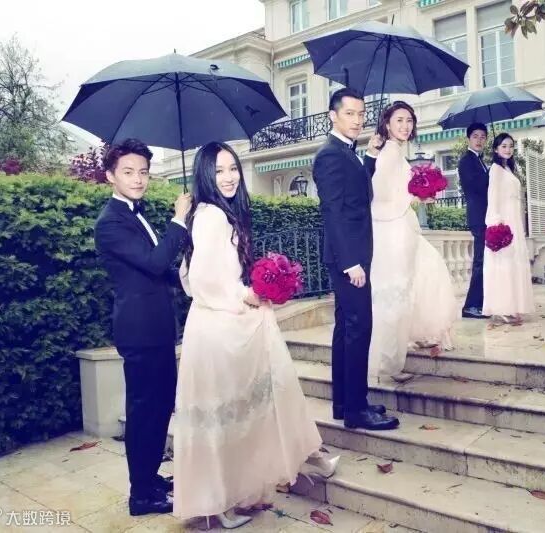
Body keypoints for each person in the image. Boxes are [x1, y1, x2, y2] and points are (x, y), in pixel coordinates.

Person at [173, 142, 336, 528]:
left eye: (233, 168)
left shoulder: (211, 213)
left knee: (243, 408)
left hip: (216, 324)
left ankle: (287, 465)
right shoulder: (212, 215)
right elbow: (201, 280)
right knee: (232, 412)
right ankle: (222, 499)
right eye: (219, 171)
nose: (229, 177)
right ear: (205, 175)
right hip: (218, 329)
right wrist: (247, 294)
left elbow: (189, 275)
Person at [94, 138, 190, 516]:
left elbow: (159, 269)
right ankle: (141, 496)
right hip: (139, 331)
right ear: (110, 176)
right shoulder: (110, 222)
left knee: (160, 405)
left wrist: (188, 276)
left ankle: (150, 479)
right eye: (129, 172)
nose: (138, 179)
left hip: (158, 328)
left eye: (144, 172)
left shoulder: (136, 214)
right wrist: (179, 220)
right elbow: (152, 263)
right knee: (144, 412)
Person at [312, 88, 399, 431]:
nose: (357, 120)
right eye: (349, 113)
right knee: (359, 328)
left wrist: (371, 156)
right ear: (333, 116)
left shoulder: (345, 152)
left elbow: (357, 191)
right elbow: (332, 212)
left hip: (351, 255)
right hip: (349, 259)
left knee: (346, 329)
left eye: (361, 114)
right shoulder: (330, 155)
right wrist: (350, 263)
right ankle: (356, 410)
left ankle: (344, 403)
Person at [368, 101, 458, 382]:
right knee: (396, 293)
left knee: (416, 281)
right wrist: (414, 194)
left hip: (402, 225)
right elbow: (380, 195)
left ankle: (408, 339)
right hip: (392, 230)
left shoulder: (396, 151)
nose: (405, 126)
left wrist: (420, 193)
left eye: (409, 120)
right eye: (399, 120)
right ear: (387, 124)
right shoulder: (388, 153)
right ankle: (389, 364)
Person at [482, 133, 534, 324]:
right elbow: (493, 197)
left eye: (511, 146)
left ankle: (512, 305)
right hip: (503, 221)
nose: (508, 149)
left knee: (513, 263)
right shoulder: (495, 170)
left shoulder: (509, 169)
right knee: (503, 263)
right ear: (496, 149)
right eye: (503, 146)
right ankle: (502, 307)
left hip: (515, 220)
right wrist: (496, 224)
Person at [458, 123, 490, 319]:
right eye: (475, 136)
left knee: (485, 261)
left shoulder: (481, 161)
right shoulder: (466, 161)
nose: (479, 140)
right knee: (479, 261)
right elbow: (475, 186)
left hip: (487, 215)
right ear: (469, 139)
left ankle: (482, 303)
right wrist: (492, 175)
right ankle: (470, 306)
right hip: (478, 216)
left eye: (483, 137)